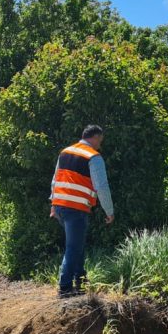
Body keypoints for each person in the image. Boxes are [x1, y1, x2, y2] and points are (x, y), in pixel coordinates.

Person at [49, 125, 114, 298]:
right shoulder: (94, 156)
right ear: (95, 137)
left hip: (60, 206)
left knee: (76, 245)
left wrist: (53, 204)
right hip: (76, 208)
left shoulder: (65, 152)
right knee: (73, 247)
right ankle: (65, 288)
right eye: (100, 140)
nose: (100, 144)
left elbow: (55, 180)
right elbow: (101, 186)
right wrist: (109, 210)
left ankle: (81, 279)